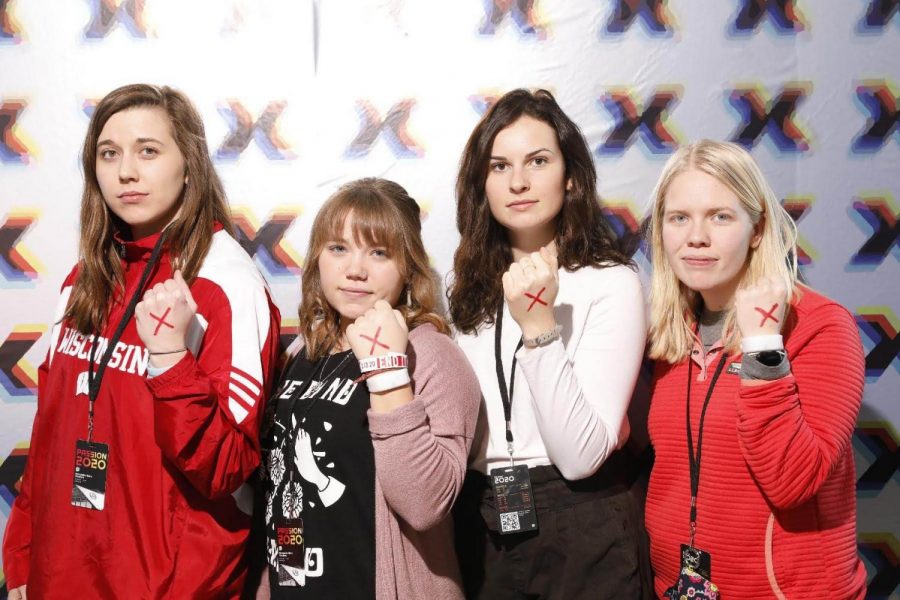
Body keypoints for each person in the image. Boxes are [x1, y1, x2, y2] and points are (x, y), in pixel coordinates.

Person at [2, 83, 281, 598]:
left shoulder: (225, 283)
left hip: (167, 585)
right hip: (61, 574)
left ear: (189, 164)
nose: (126, 171)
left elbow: (225, 466)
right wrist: (22, 551)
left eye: (148, 151)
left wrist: (170, 359)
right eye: (109, 154)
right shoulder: (86, 278)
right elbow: (51, 429)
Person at [448, 89, 651, 599]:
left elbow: (580, 457)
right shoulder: (466, 288)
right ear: (481, 186)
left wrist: (539, 328)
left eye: (537, 161)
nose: (518, 181)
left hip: (580, 523)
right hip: (481, 521)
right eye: (499, 166)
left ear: (572, 177)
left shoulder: (610, 281)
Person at [644, 139, 867, 598]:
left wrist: (763, 346)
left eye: (720, 216)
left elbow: (793, 481)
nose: (696, 236)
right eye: (679, 217)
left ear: (759, 228)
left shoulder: (821, 326)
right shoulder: (664, 337)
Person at [253, 178, 480, 599]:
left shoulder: (430, 356)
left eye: (378, 252)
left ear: (408, 267)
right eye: (338, 248)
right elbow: (280, 495)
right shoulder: (303, 351)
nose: (355, 269)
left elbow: (426, 505)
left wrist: (388, 371)